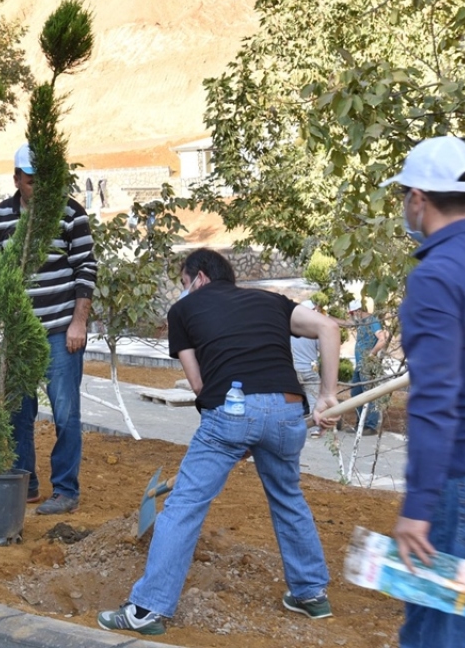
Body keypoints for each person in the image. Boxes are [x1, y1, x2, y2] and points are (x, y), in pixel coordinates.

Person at [97, 248, 341, 636]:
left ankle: (148, 609)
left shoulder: (183, 312)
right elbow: (329, 327)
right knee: (288, 498)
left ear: (200, 277)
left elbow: (199, 385)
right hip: (288, 410)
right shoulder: (272, 301)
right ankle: (310, 593)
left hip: (232, 408)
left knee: (184, 506)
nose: (183, 291)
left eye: (183, 283)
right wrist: (328, 394)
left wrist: (234, 431)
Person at [379, 135, 465, 647]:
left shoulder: (437, 277)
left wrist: (417, 507)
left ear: (418, 198)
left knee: (435, 636)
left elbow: (436, 400)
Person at [0, 143, 96, 515]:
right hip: (17, 333)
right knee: (18, 411)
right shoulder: (1, 217)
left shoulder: (70, 213)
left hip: (61, 332)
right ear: (16, 180)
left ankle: (65, 489)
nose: (40, 189)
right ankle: (25, 482)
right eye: (32, 182)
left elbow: (86, 271)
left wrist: (79, 322)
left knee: (65, 413)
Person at [347, 298, 389, 434]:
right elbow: (346, 323)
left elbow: (382, 339)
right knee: (356, 393)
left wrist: (372, 353)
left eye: (352, 314)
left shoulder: (373, 321)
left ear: (358, 311)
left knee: (370, 394)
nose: (352, 317)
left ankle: (370, 426)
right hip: (360, 364)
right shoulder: (361, 322)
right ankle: (360, 424)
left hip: (368, 364)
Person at [291, 299, 323, 437]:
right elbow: (322, 349)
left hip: (294, 369)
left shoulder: (291, 329)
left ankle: (292, 427)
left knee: (293, 400)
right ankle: (316, 428)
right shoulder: (314, 330)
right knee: (314, 400)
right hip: (310, 369)